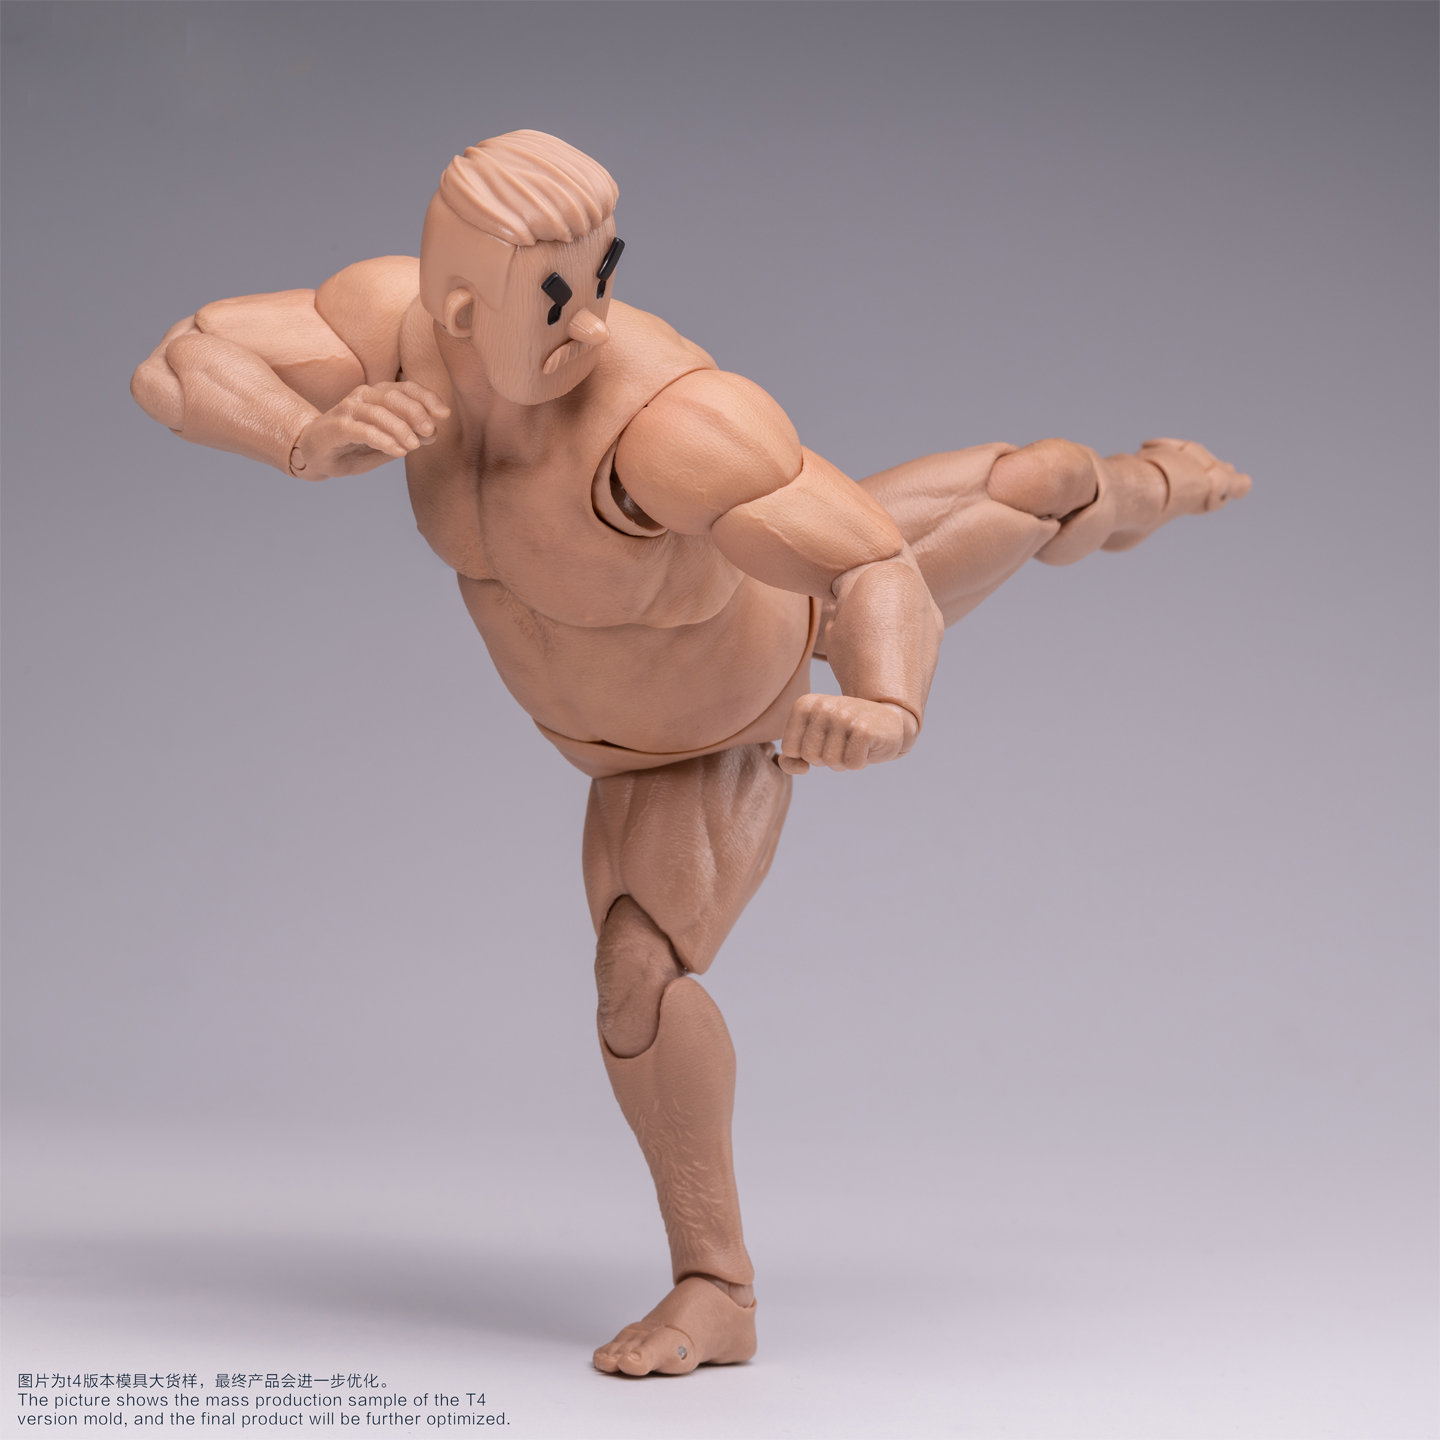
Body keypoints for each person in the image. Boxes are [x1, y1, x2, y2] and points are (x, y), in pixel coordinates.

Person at [131, 130, 1250, 1377]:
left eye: (605, 274)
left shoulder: (667, 422)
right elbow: (181, 361)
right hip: (625, 735)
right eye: (557, 295)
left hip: (732, 724)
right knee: (1024, 486)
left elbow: (869, 566)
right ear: (459, 308)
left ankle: (716, 1289)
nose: (595, 321)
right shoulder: (389, 328)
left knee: (640, 972)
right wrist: (302, 435)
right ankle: (1114, 488)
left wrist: (886, 703)